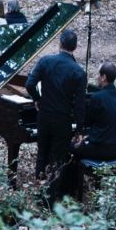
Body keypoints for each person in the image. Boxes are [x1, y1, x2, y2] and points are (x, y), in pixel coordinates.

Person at [26, 29, 86, 202]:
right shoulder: (78, 72)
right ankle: (51, 198)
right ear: (74, 48)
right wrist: (80, 129)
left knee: (42, 153)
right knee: (58, 158)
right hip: (63, 120)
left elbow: (30, 84)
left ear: (59, 44)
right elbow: (80, 105)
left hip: (44, 117)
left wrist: (37, 99)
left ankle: (39, 193)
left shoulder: (45, 61)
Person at [71, 62, 116, 164]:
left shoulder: (97, 97)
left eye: (98, 75)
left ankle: (74, 179)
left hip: (99, 150)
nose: (97, 77)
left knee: (69, 147)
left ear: (103, 77)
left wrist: (82, 134)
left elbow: (87, 122)